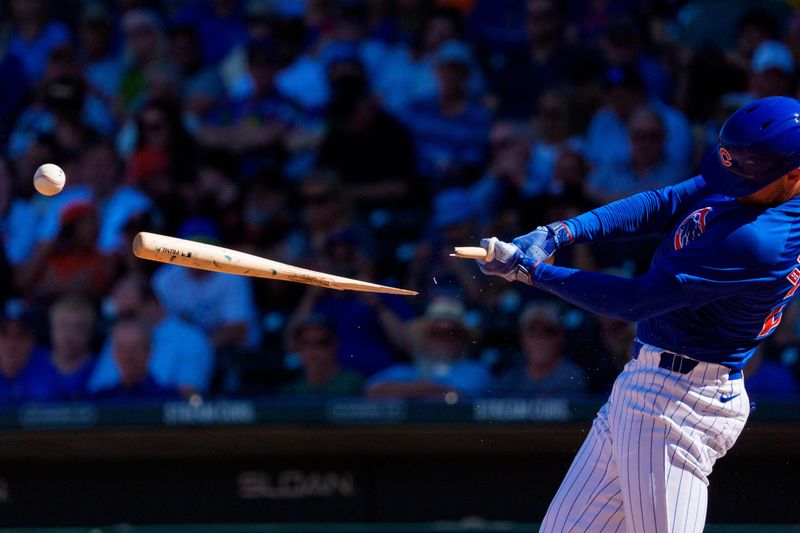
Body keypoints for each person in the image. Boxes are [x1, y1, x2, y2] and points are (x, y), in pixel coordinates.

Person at [475, 96, 800, 532]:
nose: (729, 180)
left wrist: (531, 272)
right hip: (650, 384)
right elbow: (663, 202)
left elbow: (635, 300)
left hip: (678, 402)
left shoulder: (757, 241)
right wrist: (559, 232)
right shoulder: (764, 179)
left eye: (742, 173)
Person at [366, 297, 491, 399]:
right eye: (435, 333)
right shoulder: (403, 370)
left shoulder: (476, 371)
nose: (442, 340)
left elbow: (457, 394)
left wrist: (405, 390)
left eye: (451, 333)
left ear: (463, 340)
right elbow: (372, 391)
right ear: (423, 338)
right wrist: (425, 389)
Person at [494, 301, 587, 396]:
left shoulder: (570, 376)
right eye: (532, 331)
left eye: (549, 331)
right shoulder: (510, 378)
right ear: (522, 337)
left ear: (560, 336)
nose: (540, 340)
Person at [92, 318, 181, 401]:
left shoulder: (168, 398)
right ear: (113, 353)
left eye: (135, 348)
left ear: (148, 351)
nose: (128, 355)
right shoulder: (101, 399)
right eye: (122, 348)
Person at [278, 314, 364, 396]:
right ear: (298, 348)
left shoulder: (354, 385)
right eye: (306, 343)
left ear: (335, 344)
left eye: (322, 343)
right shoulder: (291, 392)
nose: (314, 350)